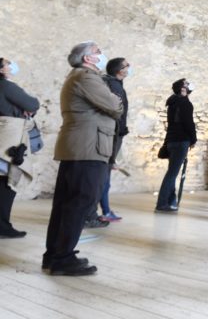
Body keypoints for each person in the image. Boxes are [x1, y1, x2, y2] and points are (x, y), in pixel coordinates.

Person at [44, 42, 123, 275]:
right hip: (88, 147)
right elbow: (115, 106)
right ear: (88, 59)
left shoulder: (79, 76)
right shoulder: (87, 78)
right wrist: (115, 100)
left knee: (66, 204)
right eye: (98, 52)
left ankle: (54, 254)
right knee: (80, 202)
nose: (101, 54)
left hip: (79, 146)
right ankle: (63, 258)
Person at [0, 56, 40, 238]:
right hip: (8, 137)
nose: (11, 65)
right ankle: (3, 227)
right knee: (6, 183)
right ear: (1, 69)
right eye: (8, 63)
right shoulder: (7, 86)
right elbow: (32, 104)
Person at [91, 57, 130, 223]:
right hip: (113, 133)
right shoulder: (114, 86)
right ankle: (103, 211)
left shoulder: (113, 84)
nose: (129, 68)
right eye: (127, 65)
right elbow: (116, 110)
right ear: (120, 70)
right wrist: (120, 130)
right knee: (104, 175)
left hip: (113, 133)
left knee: (105, 173)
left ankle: (104, 209)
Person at [155, 78, 196, 212]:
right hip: (180, 141)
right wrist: (193, 139)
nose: (189, 85)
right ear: (182, 88)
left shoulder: (172, 102)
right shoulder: (185, 104)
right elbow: (188, 123)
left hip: (172, 141)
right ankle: (162, 203)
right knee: (172, 173)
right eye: (186, 84)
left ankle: (170, 201)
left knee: (172, 171)